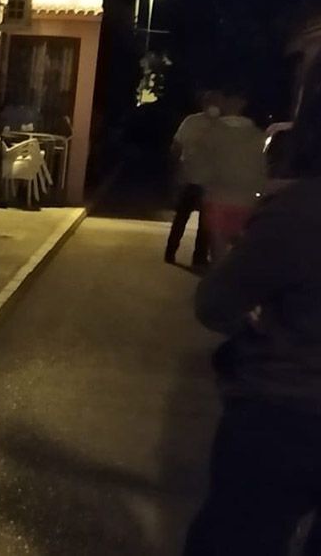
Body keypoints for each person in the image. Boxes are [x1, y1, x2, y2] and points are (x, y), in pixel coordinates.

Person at [185, 94, 321, 555]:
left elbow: (215, 302)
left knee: (236, 537)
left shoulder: (302, 211)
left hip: (286, 413)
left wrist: (253, 323)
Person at [197, 88, 267, 260]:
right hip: (247, 200)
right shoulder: (257, 135)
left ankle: (219, 280)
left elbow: (201, 166)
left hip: (218, 198)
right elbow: (261, 169)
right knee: (240, 252)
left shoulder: (212, 132)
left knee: (218, 250)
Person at [165, 91, 220, 267]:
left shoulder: (221, 126)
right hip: (191, 178)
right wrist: (176, 170)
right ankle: (174, 252)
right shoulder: (192, 122)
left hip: (208, 181)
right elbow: (177, 146)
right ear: (204, 104)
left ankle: (196, 257)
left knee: (202, 223)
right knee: (183, 218)